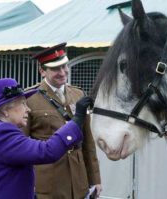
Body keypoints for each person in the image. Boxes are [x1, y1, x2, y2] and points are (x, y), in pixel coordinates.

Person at [0, 78, 93, 199]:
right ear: (5, 110)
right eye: (23, 104)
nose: (28, 109)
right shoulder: (1, 133)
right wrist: (77, 120)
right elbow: (46, 151)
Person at [23, 43, 102, 199]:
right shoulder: (29, 98)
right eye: (55, 69)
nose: (62, 72)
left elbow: (88, 142)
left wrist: (95, 179)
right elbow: (23, 146)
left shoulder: (77, 94)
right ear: (42, 71)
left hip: (78, 179)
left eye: (64, 66)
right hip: (48, 180)